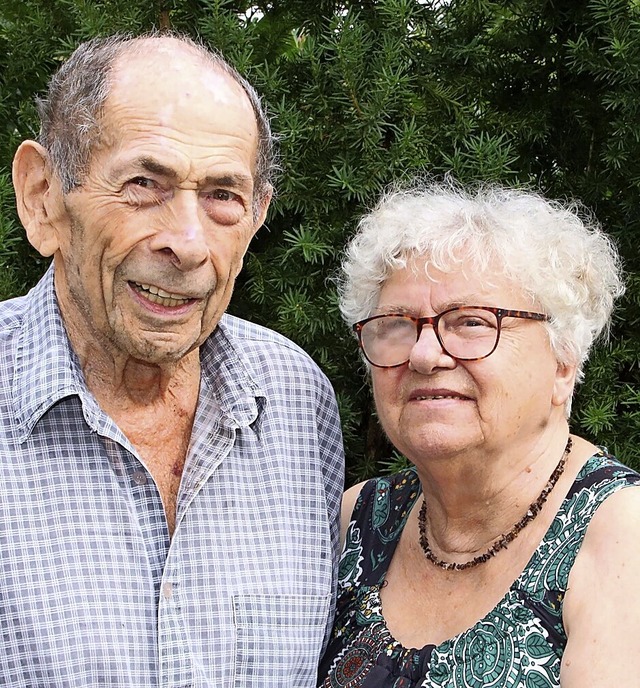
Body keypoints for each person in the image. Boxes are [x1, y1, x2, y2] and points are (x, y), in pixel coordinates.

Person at [1, 32, 344, 686]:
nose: (187, 243)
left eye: (223, 196)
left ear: (257, 217)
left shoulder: (298, 400)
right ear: (43, 195)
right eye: (143, 183)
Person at [317, 181, 640, 688]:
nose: (424, 355)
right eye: (398, 324)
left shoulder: (622, 536)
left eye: (471, 322)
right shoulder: (355, 521)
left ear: (562, 362)